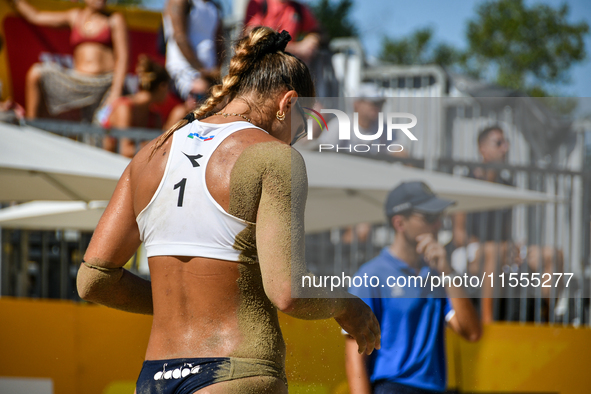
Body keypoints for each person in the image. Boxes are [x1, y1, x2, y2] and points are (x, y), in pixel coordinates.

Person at [77, 27, 380, 394]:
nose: (294, 141)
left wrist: (179, 305)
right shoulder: (273, 158)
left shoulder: (151, 154)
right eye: (300, 129)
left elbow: (93, 280)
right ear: (288, 104)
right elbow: (288, 293)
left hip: (155, 376)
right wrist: (347, 305)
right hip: (238, 372)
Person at [345, 181, 481, 394]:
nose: (438, 225)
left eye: (440, 216)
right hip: (392, 387)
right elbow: (355, 357)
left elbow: (472, 332)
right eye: (429, 217)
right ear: (399, 223)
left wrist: (448, 272)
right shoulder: (371, 275)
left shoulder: (438, 273)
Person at [10, 0, 128, 121]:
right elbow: (36, 16)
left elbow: (123, 58)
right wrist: (16, 2)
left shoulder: (115, 19)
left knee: (95, 133)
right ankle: (31, 129)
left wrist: (116, 92)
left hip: (105, 84)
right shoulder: (75, 16)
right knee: (36, 73)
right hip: (78, 82)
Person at [100, 55, 170, 158]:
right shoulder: (124, 108)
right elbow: (125, 150)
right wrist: (158, 143)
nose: (168, 94)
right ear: (162, 87)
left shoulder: (154, 116)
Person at [162, 0, 223, 101]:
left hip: (206, 74)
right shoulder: (181, 2)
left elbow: (219, 42)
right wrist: (201, 69)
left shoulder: (214, 6)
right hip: (184, 71)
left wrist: (216, 70)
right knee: (199, 103)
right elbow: (180, 37)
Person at [244, 0, 321, 64]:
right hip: (259, 67)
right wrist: (297, 49)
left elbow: (319, 32)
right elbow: (254, 39)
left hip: (284, 67)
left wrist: (312, 39)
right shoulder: (259, 3)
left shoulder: (298, 9)